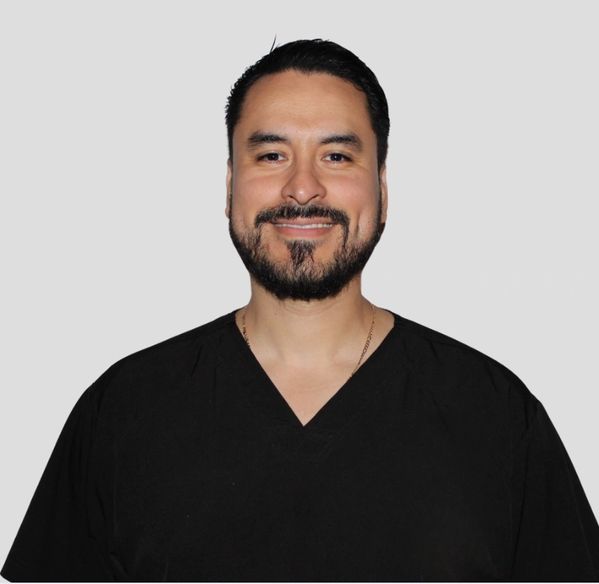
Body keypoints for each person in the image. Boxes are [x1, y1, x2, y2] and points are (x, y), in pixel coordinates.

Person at [2, 39, 599, 583]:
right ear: (230, 186)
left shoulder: (495, 415)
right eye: (271, 156)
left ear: (382, 188)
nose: (303, 187)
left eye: (336, 156)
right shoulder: (123, 410)